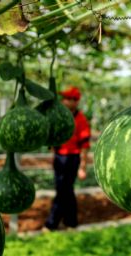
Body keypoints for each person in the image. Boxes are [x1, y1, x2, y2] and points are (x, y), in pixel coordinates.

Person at [44, 86, 91, 231]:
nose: (63, 101)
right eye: (63, 98)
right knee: (66, 191)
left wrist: (83, 166)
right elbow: (54, 140)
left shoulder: (81, 119)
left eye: (67, 99)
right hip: (60, 157)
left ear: (75, 101)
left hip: (72, 159)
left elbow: (84, 145)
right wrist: (53, 155)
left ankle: (52, 224)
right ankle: (71, 222)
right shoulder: (60, 117)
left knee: (62, 190)